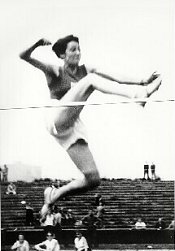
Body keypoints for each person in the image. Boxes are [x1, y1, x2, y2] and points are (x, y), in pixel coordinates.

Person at [19, 35, 162, 217]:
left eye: (79, 49)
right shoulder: (54, 71)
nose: (78, 53)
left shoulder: (85, 70)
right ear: (63, 55)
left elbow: (115, 76)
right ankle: (137, 95)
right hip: (56, 117)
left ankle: (55, 196)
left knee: (92, 178)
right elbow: (23, 56)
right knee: (90, 81)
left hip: (72, 125)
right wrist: (37, 44)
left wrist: (142, 79)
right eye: (73, 50)